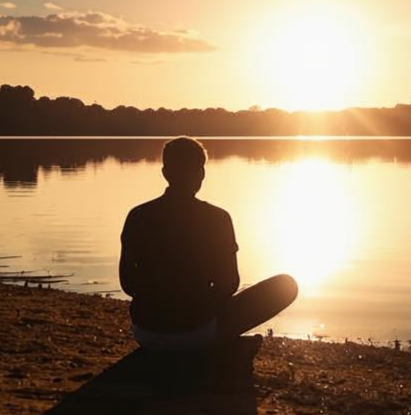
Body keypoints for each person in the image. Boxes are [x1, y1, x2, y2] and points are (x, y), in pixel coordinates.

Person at [119, 137, 298, 350]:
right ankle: (219, 343)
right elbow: (229, 283)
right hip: (197, 330)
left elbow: (128, 283)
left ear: (165, 173)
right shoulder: (218, 218)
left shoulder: (137, 216)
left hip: (147, 332)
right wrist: (200, 302)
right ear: (201, 173)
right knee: (286, 285)